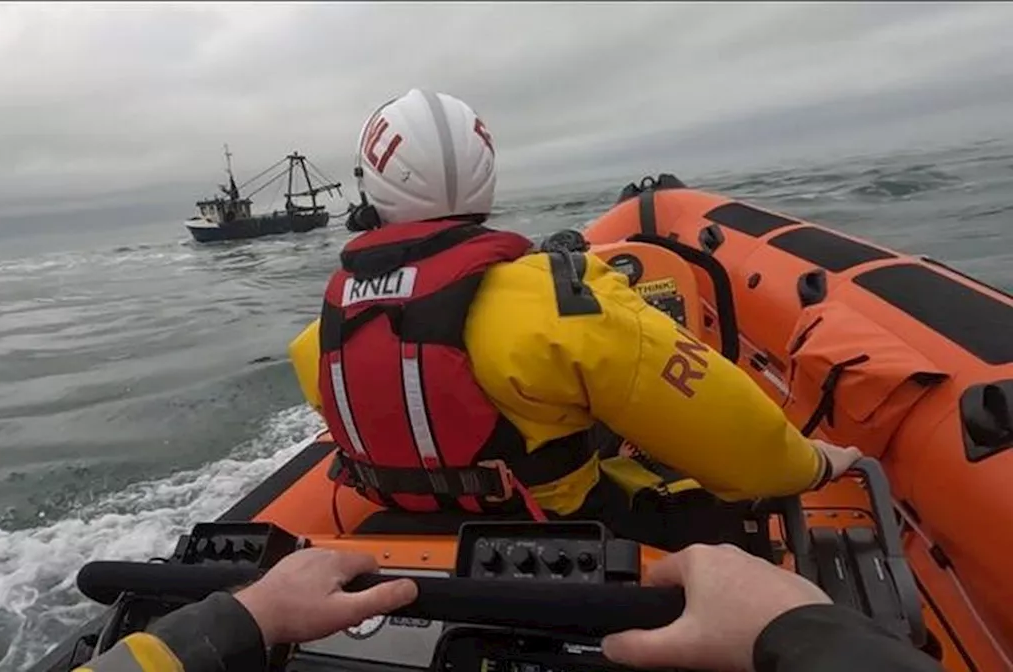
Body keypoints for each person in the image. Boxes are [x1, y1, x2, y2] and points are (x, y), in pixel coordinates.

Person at [286, 88, 861, 532]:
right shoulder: (565, 304)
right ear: (485, 173)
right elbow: (733, 437)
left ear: (373, 187)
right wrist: (810, 465)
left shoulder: (320, 340)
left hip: (396, 541)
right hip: (563, 532)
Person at [72, 544, 943, 672]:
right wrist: (800, 629)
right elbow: (744, 447)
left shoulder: (325, 329)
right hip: (609, 546)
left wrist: (250, 616)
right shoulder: (564, 306)